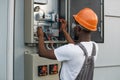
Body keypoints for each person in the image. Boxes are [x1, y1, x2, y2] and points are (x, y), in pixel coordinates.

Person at [37, 8, 99, 80]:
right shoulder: (94, 46)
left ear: (79, 29)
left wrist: (40, 36)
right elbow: (77, 48)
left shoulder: (71, 50)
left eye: (75, 24)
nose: (73, 27)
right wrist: (64, 30)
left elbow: (42, 52)